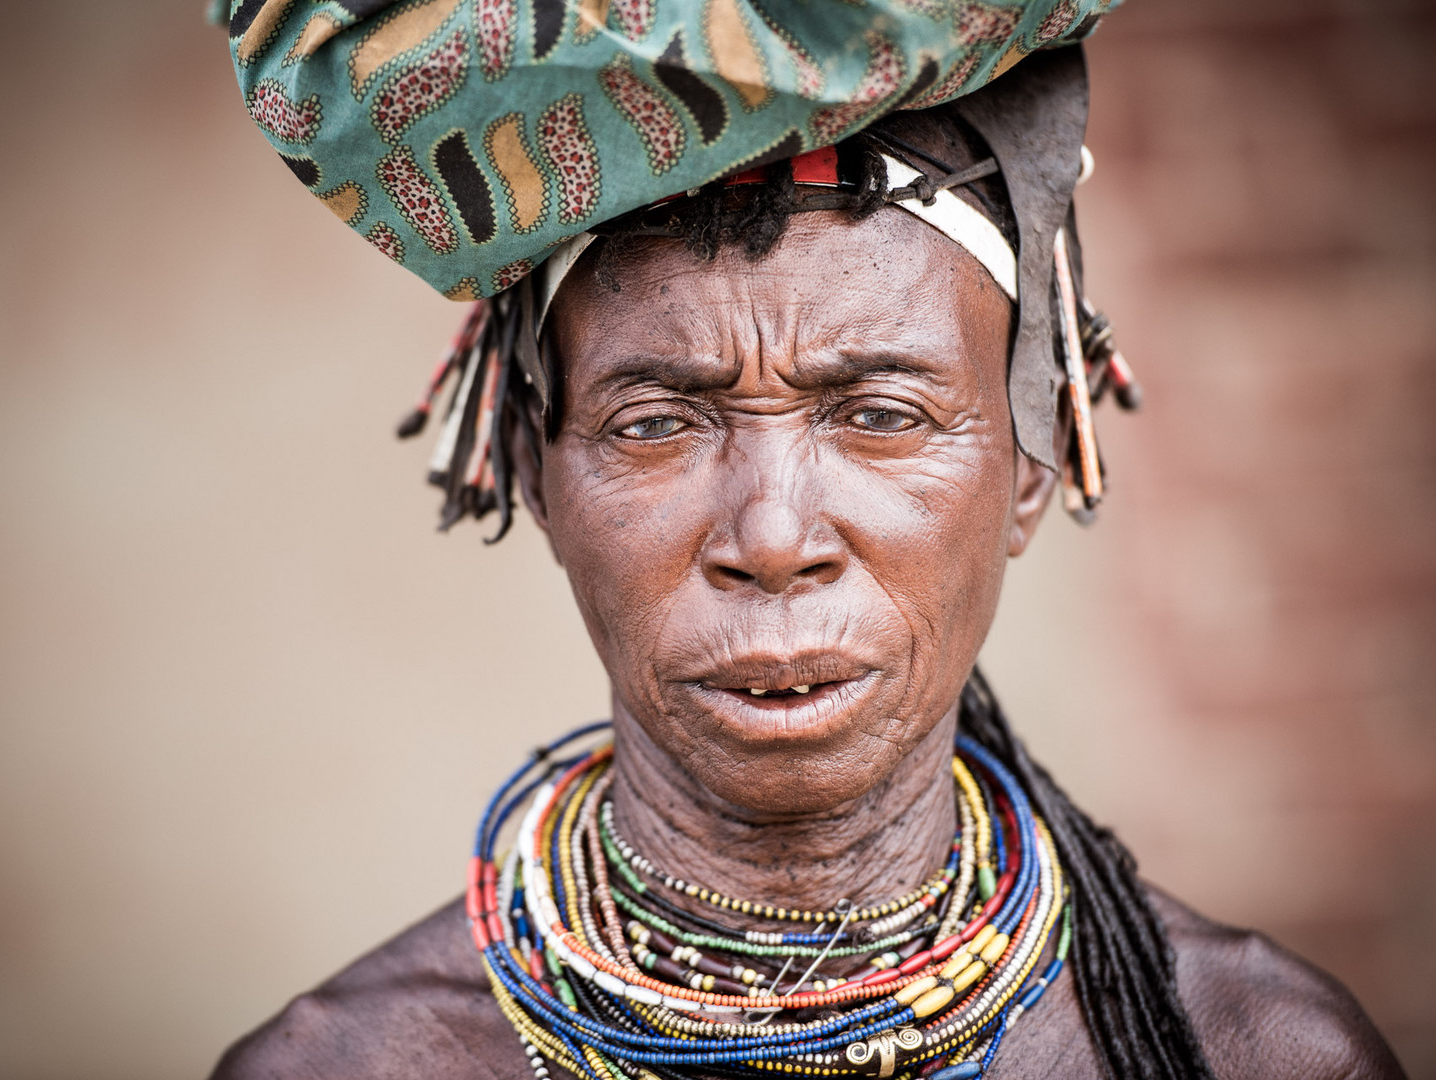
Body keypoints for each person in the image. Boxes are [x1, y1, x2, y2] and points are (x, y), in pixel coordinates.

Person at [211, 3, 1404, 1077]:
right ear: (533, 469)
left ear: (1036, 462)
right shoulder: (351, 1067)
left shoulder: (1260, 1054)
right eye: (659, 421)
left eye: (881, 414)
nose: (773, 538)